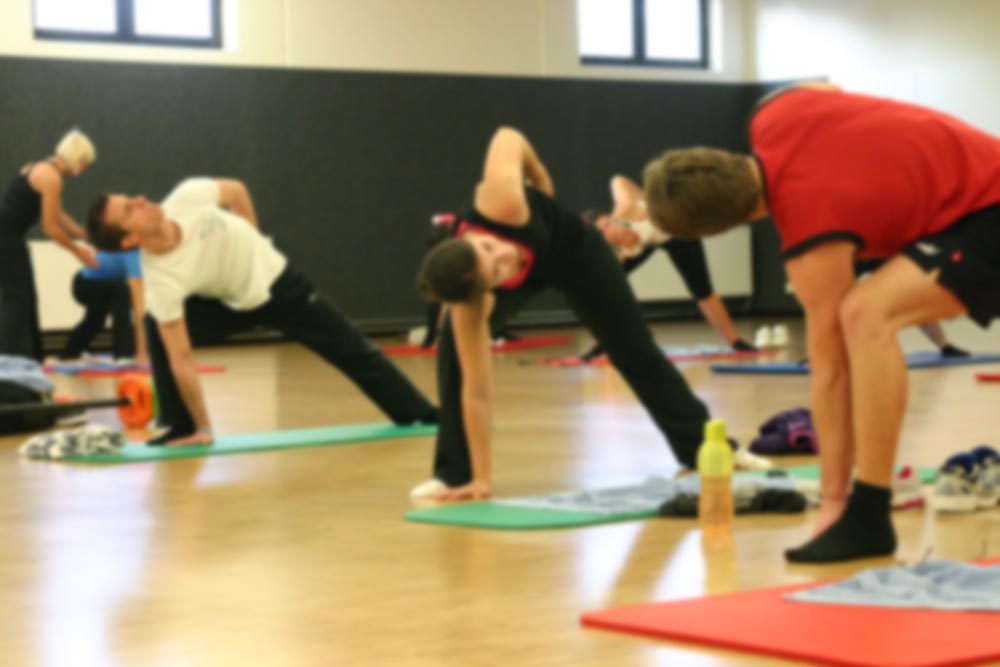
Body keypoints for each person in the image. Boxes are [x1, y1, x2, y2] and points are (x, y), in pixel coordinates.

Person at [642, 83, 1000, 563]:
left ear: (720, 229)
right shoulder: (776, 108)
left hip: (987, 209)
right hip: (976, 191)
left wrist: (832, 500)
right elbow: (829, 91)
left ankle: (867, 514)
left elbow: (832, 374)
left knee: (865, 315)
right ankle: (866, 510)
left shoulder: (811, 235)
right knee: (865, 311)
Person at [413, 126, 731, 503]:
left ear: (470, 238)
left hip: (577, 252)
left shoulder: (502, 201)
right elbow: (477, 394)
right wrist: (482, 479)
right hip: (526, 273)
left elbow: (507, 136)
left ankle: (704, 449)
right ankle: (456, 475)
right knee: (455, 356)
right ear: (486, 290)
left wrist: (540, 177)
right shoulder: (473, 303)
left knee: (633, 348)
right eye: (496, 270)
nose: (504, 256)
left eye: (488, 248)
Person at [86, 177, 438, 446]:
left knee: (350, 348)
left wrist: (253, 237)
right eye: (129, 210)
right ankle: (183, 426)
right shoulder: (161, 280)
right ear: (129, 241)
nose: (140, 200)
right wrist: (205, 427)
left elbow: (237, 192)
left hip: (278, 284)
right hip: (229, 303)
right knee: (157, 321)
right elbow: (181, 358)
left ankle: (419, 413)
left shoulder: (187, 196)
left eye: (130, 198)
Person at [580, 174, 755, 361]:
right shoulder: (616, 255)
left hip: (675, 230)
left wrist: (649, 200)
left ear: (611, 218)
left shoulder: (627, 207)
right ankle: (604, 343)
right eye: (603, 233)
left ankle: (736, 342)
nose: (611, 232)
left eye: (608, 224)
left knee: (702, 290)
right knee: (604, 289)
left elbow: (617, 180)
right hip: (647, 243)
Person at [0, 129, 98, 361]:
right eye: (85, 163)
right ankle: (11, 360)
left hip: (10, 236)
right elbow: (50, 229)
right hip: (6, 237)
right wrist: (78, 252)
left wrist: (82, 234)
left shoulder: (40, 168)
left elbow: (58, 214)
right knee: (18, 299)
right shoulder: (52, 178)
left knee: (26, 297)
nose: (84, 169)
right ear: (78, 159)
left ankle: (31, 358)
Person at [58, 248, 148, 364]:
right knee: (122, 293)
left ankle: (70, 352)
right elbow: (139, 309)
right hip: (85, 285)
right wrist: (141, 353)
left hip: (102, 286)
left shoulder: (139, 255)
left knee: (96, 321)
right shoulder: (133, 255)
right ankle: (123, 354)